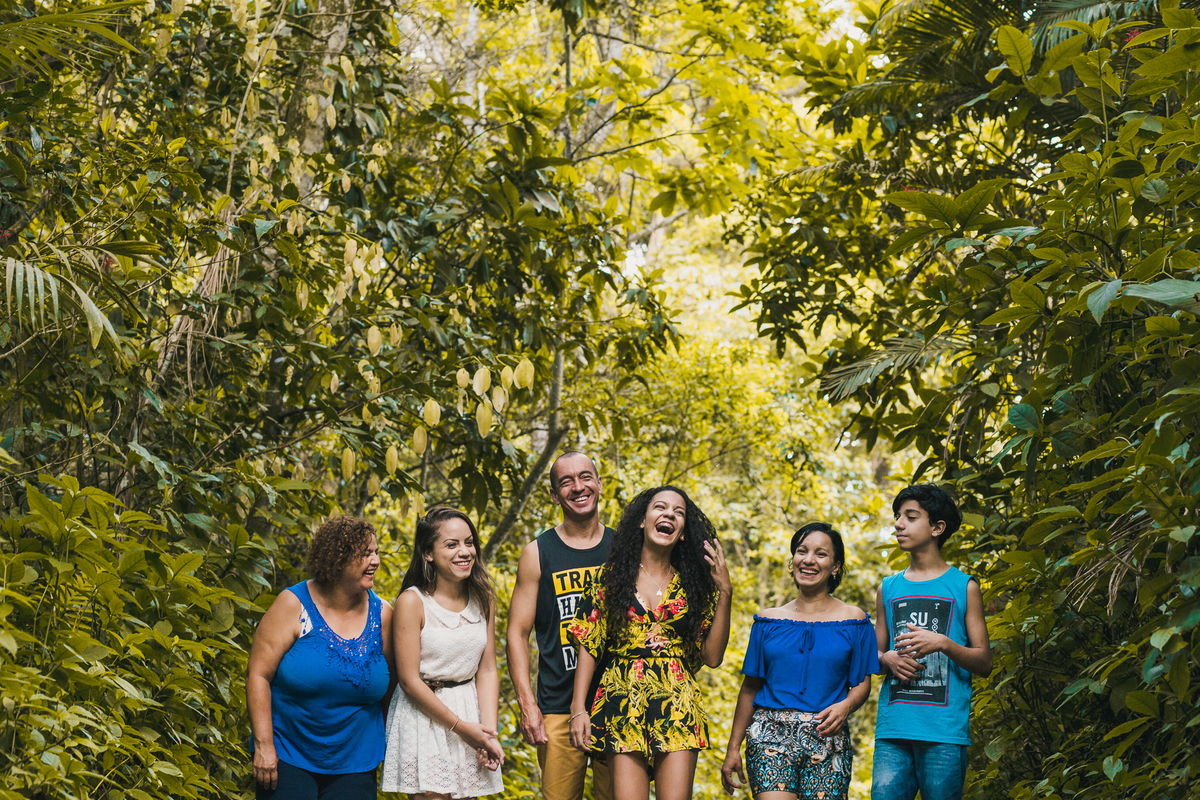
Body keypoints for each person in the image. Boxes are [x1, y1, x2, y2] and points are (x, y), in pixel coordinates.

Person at [567, 485, 732, 800]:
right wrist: (579, 710)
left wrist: (725, 592)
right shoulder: (608, 579)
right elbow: (589, 645)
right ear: (642, 521)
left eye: (678, 512)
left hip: (677, 703)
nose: (669, 513)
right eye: (660, 507)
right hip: (621, 699)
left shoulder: (692, 587)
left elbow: (712, 657)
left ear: (682, 533)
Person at [720, 522, 878, 800]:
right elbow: (750, 687)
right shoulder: (768, 620)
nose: (808, 560)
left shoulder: (855, 621)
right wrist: (733, 748)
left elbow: (862, 684)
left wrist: (846, 706)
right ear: (793, 559)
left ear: (835, 566)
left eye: (820, 554)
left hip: (828, 738)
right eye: (801, 551)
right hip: (770, 735)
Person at [247, 515, 394, 799]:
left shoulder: (384, 615)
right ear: (337, 559)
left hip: (356, 761)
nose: (374, 560)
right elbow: (258, 674)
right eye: (365, 554)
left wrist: (389, 746)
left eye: (375, 552)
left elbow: (392, 690)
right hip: (288, 753)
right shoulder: (293, 604)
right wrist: (264, 745)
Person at [872, 484, 993, 800]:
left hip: (944, 732)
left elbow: (984, 663)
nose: (899, 524)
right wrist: (888, 659)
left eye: (910, 517)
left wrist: (943, 643)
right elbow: (874, 655)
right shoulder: (888, 587)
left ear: (937, 527)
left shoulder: (964, 587)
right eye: (898, 516)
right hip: (894, 730)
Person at [506, 451, 615, 800]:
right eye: (566, 482)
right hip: (557, 706)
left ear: (599, 484)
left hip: (618, 703)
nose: (578, 487)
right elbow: (517, 632)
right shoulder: (538, 552)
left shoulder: (624, 548)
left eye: (585, 477)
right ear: (555, 495)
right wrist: (527, 704)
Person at [381, 506, 504, 798]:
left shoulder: (483, 598)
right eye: (452, 544)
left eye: (469, 542)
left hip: (468, 710)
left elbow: (486, 670)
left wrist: (486, 732)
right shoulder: (412, 602)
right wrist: (463, 729)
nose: (465, 552)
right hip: (424, 715)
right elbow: (409, 681)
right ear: (428, 553)